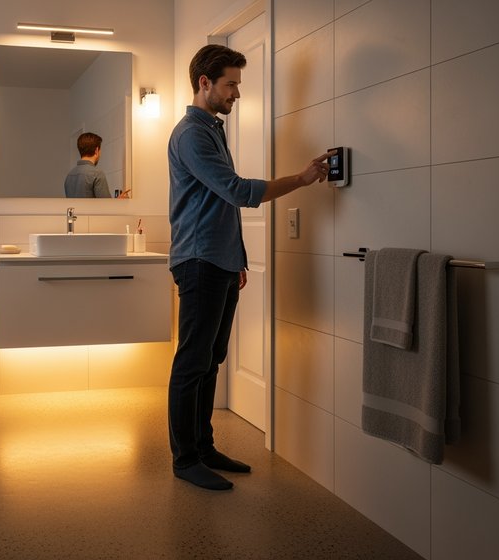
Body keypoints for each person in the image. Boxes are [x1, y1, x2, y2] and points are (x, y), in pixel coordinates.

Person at [167, 44, 332, 491]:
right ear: (205, 83)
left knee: (212, 358)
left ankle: (203, 447)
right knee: (192, 360)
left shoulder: (212, 129)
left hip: (218, 260)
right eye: (231, 84)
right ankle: (184, 460)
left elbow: (218, 206)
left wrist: (236, 259)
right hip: (199, 260)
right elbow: (237, 192)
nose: (237, 93)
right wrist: (300, 180)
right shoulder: (191, 134)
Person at [64, 132, 112, 198]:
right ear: (96, 150)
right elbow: (107, 206)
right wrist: (118, 203)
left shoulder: (69, 175)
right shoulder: (97, 174)